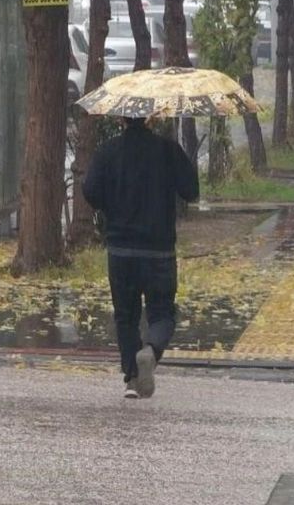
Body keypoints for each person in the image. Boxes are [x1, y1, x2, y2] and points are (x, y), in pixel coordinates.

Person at [82, 117, 199, 399]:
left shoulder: (108, 151)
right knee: (162, 312)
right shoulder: (167, 150)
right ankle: (151, 350)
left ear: (121, 118)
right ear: (151, 119)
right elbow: (191, 192)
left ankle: (132, 380)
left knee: (126, 316)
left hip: (121, 250)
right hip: (160, 250)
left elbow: (91, 192)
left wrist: (112, 206)